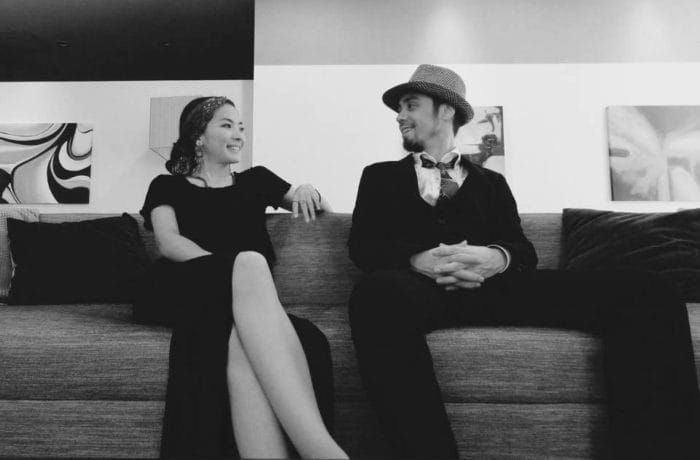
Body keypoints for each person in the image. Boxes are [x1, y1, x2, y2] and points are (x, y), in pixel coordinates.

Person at [348, 65, 700, 459]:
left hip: (494, 291)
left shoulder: (491, 182)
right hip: (416, 294)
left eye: (410, 105)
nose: (399, 115)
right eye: (399, 108)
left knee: (648, 292)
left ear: (445, 110)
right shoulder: (378, 177)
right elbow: (363, 246)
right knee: (373, 295)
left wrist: (495, 257)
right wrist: (418, 260)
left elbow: (522, 248)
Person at [136, 96, 348, 459]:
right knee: (250, 263)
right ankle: (322, 451)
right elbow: (169, 242)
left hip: (242, 301)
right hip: (183, 284)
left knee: (244, 339)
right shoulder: (166, 186)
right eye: (226, 125)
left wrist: (310, 189)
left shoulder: (257, 180)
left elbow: (321, 211)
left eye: (241, 128)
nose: (238, 135)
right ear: (198, 135)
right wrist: (234, 273)